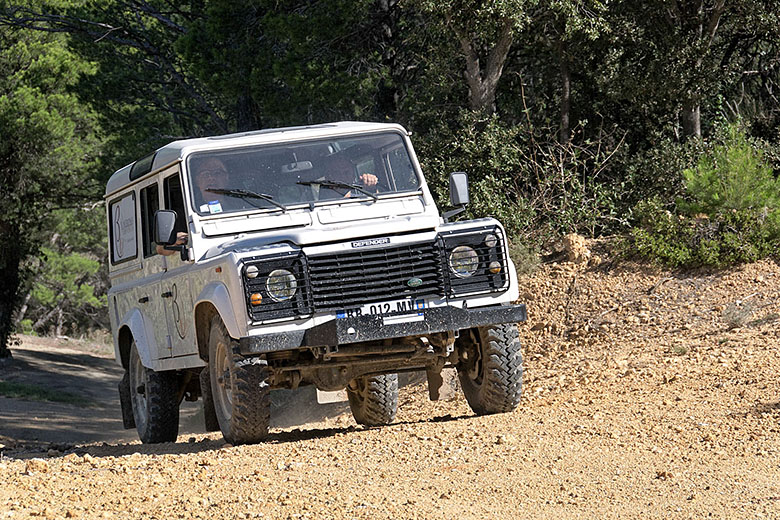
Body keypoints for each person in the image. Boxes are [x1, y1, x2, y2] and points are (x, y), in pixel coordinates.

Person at [156, 157, 229, 256]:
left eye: (218, 173)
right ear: (197, 181)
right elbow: (160, 249)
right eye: (205, 174)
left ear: (226, 177)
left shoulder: (241, 205)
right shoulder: (185, 212)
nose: (211, 178)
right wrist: (176, 240)